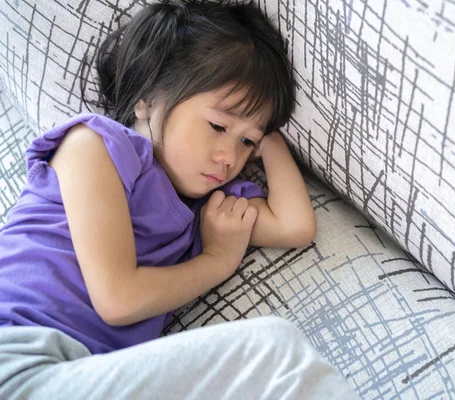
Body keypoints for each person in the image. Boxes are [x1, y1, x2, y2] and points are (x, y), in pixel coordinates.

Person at [0, 2, 360, 399]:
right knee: (276, 353)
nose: (229, 156)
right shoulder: (96, 146)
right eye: (218, 125)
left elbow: (295, 226)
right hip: (18, 355)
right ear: (149, 97)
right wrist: (217, 261)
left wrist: (269, 134)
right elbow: (117, 298)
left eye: (245, 143)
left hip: (90, 373)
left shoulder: (206, 211)